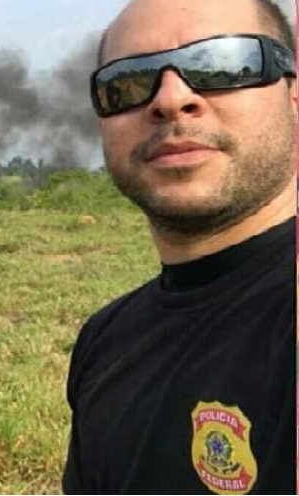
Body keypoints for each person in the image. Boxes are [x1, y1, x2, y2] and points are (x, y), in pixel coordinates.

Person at [66, 0, 296, 493]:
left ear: (292, 93)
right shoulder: (104, 340)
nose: (171, 99)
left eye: (222, 65)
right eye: (128, 82)